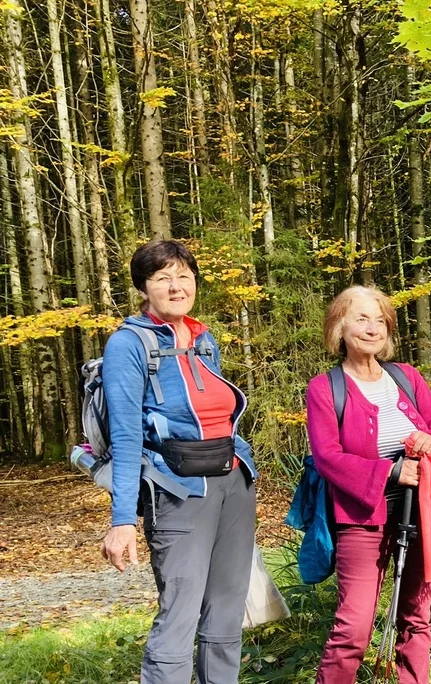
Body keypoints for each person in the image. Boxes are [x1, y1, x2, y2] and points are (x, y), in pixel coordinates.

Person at [100, 240, 257, 683]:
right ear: (143, 288)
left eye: (184, 276)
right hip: (177, 490)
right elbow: (126, 437)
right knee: (179, 616)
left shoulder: (204, 338)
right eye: (163, 278)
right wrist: (122, 520)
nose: (176, 287)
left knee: (227, 614)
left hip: (234, 482)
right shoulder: (128, 345)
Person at [305, 286, 431, 684]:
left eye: (380, 320)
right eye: (362, 319)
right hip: (361, 519)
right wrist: (390, 472)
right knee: (353, 628)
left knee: (417, 618)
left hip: (422, 514)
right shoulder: (325, 388)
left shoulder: (406, 377)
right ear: (340, 327)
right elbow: (327, 456)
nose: (373, 328)